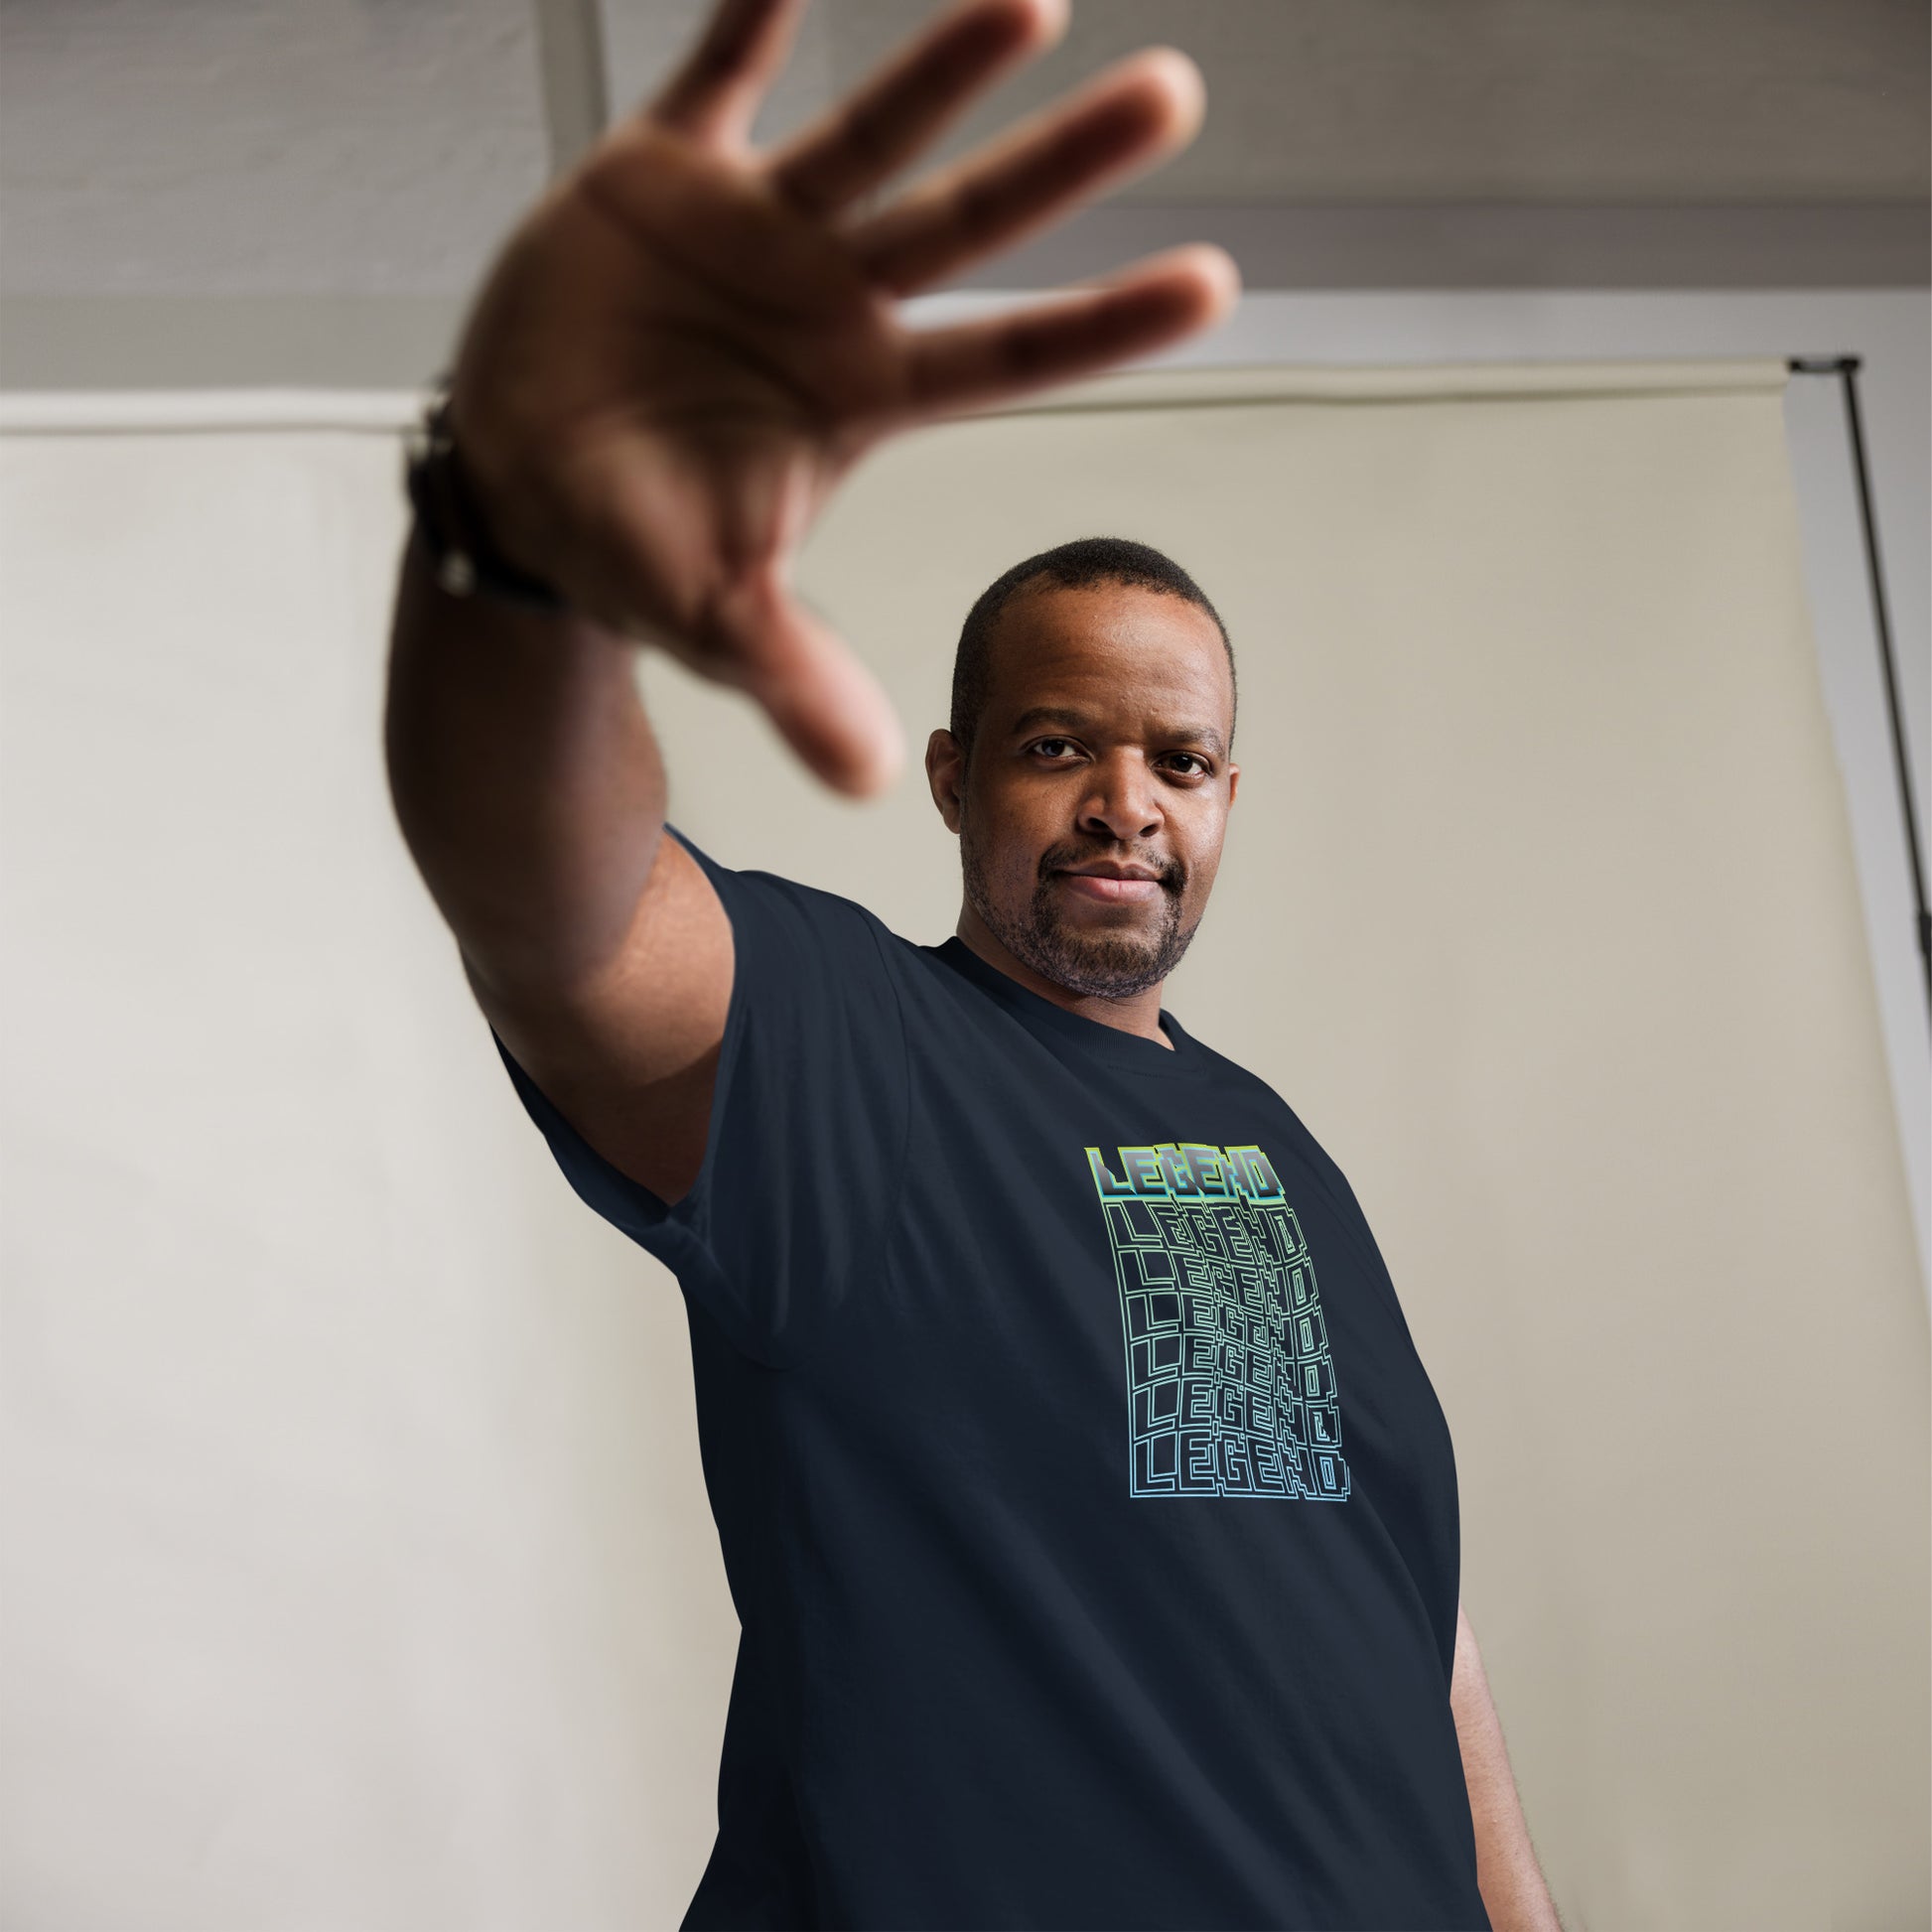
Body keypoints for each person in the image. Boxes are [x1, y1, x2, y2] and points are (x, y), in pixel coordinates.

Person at [383, 0, 1561, 1924]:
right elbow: (561, 918)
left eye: (1176, 760)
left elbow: (1415, 1623)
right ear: (952, 776)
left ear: (1228, 796)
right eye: (1054, 745)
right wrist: (522, 548)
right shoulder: (864, 1055)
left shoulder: (1276, 1146)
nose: (1124, 800)